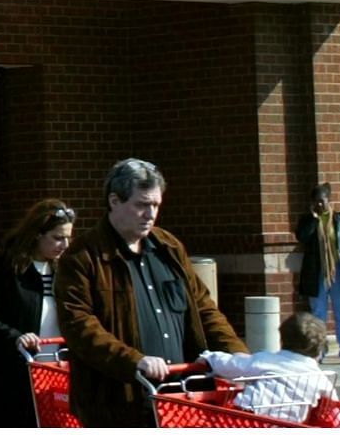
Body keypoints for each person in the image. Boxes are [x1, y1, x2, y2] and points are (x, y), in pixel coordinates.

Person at [57, 158, 248, 427]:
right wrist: (134, 361)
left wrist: (235, 353)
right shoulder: (83, 257)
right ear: (114, 201)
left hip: (182, 394)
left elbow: (203, 308)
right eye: (141, 205)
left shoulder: (169, 247)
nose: (150, 214)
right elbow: (79, 326)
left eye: (155, 205)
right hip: (118, 402)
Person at [0, 198, 76, 427]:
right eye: (57, 237)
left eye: (68, 237)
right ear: (37, 234)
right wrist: (16, 337)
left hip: (56, 372)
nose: (65, 245)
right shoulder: (6, 268)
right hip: (12, 375)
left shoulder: (67, 271)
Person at [199, 311, 336, 423]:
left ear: (282, 340)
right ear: (319, 350)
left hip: (246, 417)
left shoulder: (267, 360)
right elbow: (334, 408)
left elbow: (233, 365)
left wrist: (209, 358)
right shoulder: (321, 379)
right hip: (290, 425)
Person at [295, 182, 340, 365]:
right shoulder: (307, 221)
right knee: (318, 315)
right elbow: (302, 238)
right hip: (318, 273)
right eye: (315, 202)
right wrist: (314, 219)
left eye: (322, 201)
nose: (319, 205)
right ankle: (319, 352)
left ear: (329, 200)